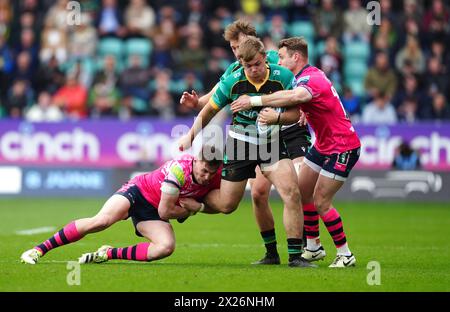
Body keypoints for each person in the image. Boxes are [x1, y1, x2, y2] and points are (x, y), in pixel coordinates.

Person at [180, 20, 312, 266]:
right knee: (228, 205)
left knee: (291, 191)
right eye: (242, 59)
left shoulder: (281, 71)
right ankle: (190, 200)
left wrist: (282, 115)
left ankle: (296, 256)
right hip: (241, 143)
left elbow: (298, 99)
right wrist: (190, 136)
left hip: (272, 142)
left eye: (256, 63)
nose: (252, 69)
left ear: (264, 56)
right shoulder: (233, 77)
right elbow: (208, 108)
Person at [231, 37, 361, 268]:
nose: (278, 62)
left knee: (322, 201)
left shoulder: (311, 79)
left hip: (342, 147)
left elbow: (296, 97)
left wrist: (254, 101)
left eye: (281, 57)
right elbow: (299, 99)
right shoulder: (304, 77)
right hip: (323, 145)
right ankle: (313, 247)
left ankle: (345, 254)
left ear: (296, 57)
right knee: (301, 191)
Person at [20, 146, 222, 265]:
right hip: (139, 192)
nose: (206, 177)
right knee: (101, 222)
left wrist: (197, 208)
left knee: (165, 248)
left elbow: (226, 203)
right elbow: (165, 211)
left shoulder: (216, 175)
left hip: (153, 211)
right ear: (196, 161)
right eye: (203, 170)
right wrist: (191, 209)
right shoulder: (179, 170)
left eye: (210, 174)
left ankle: (107, 253)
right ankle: (38, 250)